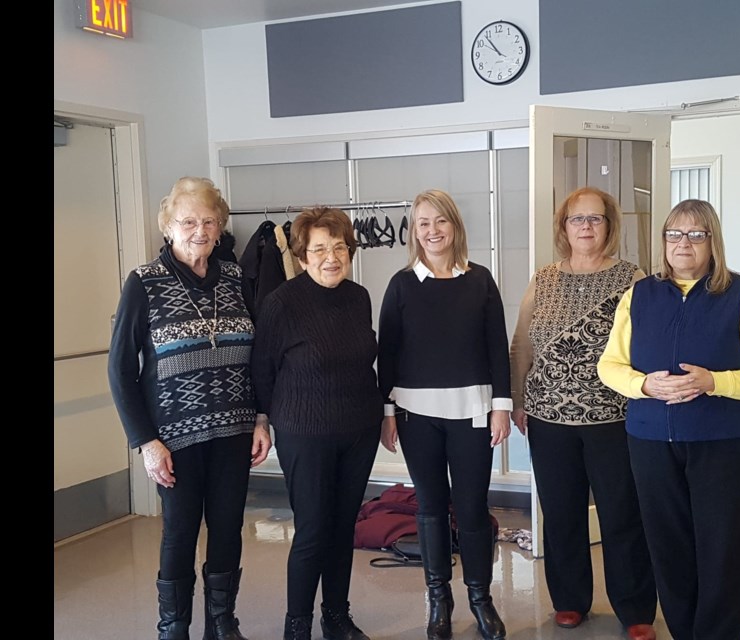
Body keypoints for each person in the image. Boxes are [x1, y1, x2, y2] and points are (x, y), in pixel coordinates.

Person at [598, 199, 740, 640]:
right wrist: (644, 385)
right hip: (649, 442)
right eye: (674, 234)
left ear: (712, 242)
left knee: (724, 552)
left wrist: (714, 382)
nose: (683, 243)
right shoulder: (640, 294)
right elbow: (610, 366)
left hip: (720, 443)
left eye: (695, 235)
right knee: (669, 549)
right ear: (663, 242)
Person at [108, 177, 272, 640]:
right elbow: (120, 369)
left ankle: (222, 623)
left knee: (227, 530)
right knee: (179, 534)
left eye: (208, 221)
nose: (198, 230)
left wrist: (261, 418)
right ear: (168, 226)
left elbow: (259, 355)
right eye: (187, 221)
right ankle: (173, 626)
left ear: (220, 227)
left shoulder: (239, 279)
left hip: (235, 433)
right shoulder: (143, 283)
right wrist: (145, 442)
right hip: (173, 439)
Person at [509, 187, 659, 640]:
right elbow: (522, 345)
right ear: (564, 228)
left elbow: (647, 348)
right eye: (578, 219)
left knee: (622, 515)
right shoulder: (543, 279)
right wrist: (518, 400)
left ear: (610, 227)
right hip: (548, 419)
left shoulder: (633, 278)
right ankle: (569, 601)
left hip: (613, 419)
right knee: (560, 513)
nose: (587, 227)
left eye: (596, 219)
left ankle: (634, 609)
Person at [378, 189, 511, 640]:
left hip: (473, 412)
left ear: (454, 226)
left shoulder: (480, 280)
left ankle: (480, 598)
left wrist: (502, 407)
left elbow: (498, 348)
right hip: (416, 415)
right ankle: (439, 599)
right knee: (431, 510)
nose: (432, 231)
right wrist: (388, 411)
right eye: (422, 224)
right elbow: (388, 354)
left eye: (440, 221)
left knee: (472, 508)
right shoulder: (401, 284)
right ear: (414, 232)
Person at [251, 207, 382, 640]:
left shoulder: (359, 296)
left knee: (343, 526)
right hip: (304, 432)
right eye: (320, 249)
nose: (331, 257)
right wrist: (263, 421)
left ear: (350, 251)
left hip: (358, 430)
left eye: (339, 247)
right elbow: (263, 368)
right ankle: (298, 623)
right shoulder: (282, 303)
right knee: (312, 529)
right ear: (303, 256)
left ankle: (337, 616)